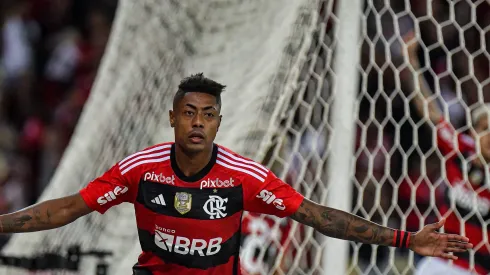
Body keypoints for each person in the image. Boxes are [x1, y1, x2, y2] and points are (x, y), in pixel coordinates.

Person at [0, 73, 472, 275]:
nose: (198, 122)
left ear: (219, 123)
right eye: (189, 113)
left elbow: (317, 217)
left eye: (208, 114)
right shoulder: (139, 171)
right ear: (172, 118)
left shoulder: (243, 178)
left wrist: (407, 241)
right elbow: (66, 208)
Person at [402, 31, 487, 275]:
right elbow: (429, 110)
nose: (489, 135)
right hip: (441, 263)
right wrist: (411, 62)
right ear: (473, 130)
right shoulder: (459, 148)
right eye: (485, 128)